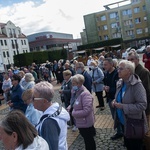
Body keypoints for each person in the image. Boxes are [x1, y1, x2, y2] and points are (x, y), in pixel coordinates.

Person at [112, 60, 148, 150]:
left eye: (121, 69)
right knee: (128, 145)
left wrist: (123, 106)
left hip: (133, 124)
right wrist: (114, 101)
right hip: (124, 122)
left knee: (135, 147)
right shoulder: (120, 82)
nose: (118, 71)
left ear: (128, 71)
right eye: (118, 68)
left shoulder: (137, 85)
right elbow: (120, 98)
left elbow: (142, 105)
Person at [32, 81, 70, 150]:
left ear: (44, 101)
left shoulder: (49, 122)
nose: (32, 101)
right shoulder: (56, 109)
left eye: (34, 98)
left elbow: (50, 147)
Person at [70, 74, 96, 150]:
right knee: (86, 139)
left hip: (85, 122)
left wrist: (74, 113)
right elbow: (74, 102)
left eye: (73, 83)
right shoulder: (76, 91)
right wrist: (70, 107)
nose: (72, 85)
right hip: (81, 121)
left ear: (79, 83)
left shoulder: (85, 94)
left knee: (89, 140)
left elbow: (86, 110)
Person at [103, 58, 123, 140]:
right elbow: (106, 83)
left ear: (111, 64)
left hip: (117, 99)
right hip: (110, 98)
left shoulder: (117, 73)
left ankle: (123, 132)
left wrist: (109, 89)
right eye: (103, 64)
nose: (104, 66)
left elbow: (119, 87)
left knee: (120, 116)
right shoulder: (106, 73)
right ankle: (119, 132)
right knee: (114, 117)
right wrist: (105, 87)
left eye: (106, 64)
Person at [128, 51, 150, 125]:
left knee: (146, 128)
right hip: (134, 106)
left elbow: (146, 90)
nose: (130, 61)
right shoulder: (131, 72)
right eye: (128, 60)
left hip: (144, 106)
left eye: (132, 59)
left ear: (138, 59)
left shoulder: (144, 72)